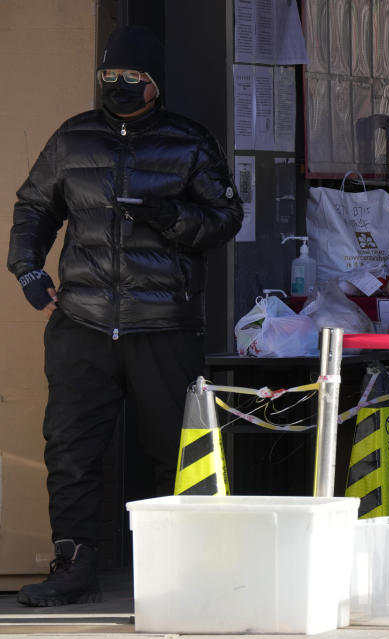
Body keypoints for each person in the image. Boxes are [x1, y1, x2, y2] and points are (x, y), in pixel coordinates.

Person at [7, 25, 243, 606]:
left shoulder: (189, 143)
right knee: (70, 448)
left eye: (130, 78)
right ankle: (73, 567)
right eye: (109, 77)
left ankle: (181, 572)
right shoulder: (73, 138)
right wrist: (28, 270)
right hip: (82, 321)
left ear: (154, 85)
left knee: (175, 449)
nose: (117, 85)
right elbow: (33, 205)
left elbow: (226, 217)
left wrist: (170, 217)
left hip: (163, 322)